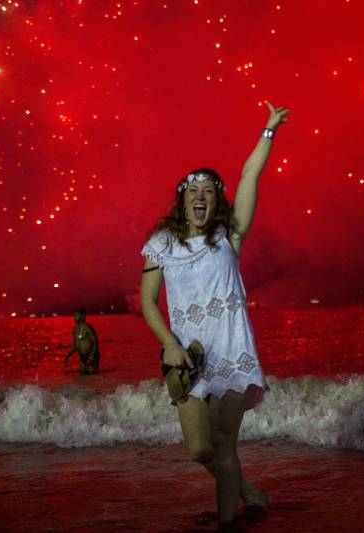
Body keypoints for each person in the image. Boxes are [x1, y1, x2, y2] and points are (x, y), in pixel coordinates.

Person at [140, 102, 289, 529]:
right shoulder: (161, 244)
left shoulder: (229, 238)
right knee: (199, 450)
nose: (201, 196)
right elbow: (148, 300)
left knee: (225, 445)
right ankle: (249, 492)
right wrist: (169, 343)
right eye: (194, 190)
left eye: (209, 191)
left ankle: (229, 522)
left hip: (230, 351)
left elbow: (249, 176)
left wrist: (268, 131)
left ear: (216, 200)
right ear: (182, 199)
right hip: (187, 358)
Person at [64, 309, 100, 374]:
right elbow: (75, 345)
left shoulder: (88, 328)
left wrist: (92, 356)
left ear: (83, 316)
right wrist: (68, 356)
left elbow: (95, 342)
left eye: (77, 315)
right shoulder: (74, 330)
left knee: (92, 375)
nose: (74, 317)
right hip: (82, 356)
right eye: (74, 315)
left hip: (92, 355)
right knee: (82, 376)